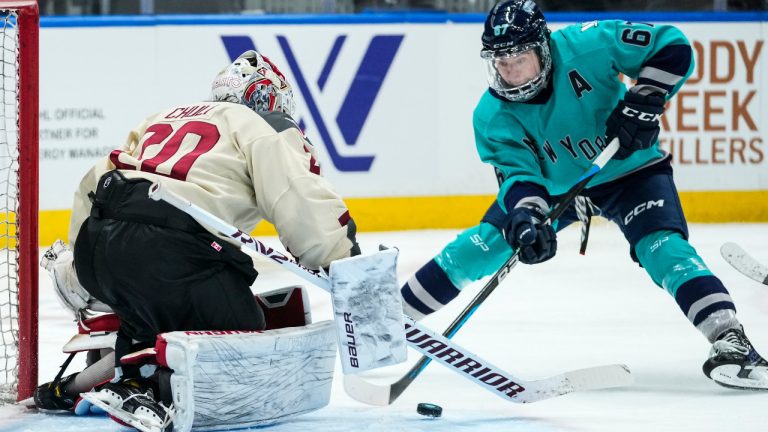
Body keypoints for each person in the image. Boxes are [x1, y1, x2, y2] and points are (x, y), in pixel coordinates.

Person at [399, 0, 768, 390]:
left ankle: (730, 340)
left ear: (543, 47)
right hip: (560, 190)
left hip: (629, 171)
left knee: (662, 248)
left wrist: (644, 100)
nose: (508, 72)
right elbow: (521, 180)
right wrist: (527, 219)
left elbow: (672, 46)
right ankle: (389, 320)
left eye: (518, 58)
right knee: (482, 245)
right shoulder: (492, 116)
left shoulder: (589, 43)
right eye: (499, 61)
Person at [34, 50, 361, 421]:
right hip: (172, 252)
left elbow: (95, 180)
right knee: (244, 329)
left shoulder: (161, 118)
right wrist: (344, 263)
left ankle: (97, 378)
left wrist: (89, 273)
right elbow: (298, 197)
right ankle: (143, 379)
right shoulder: (258, 126)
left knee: (155, 314)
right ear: (266, 97)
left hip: (101, 248)